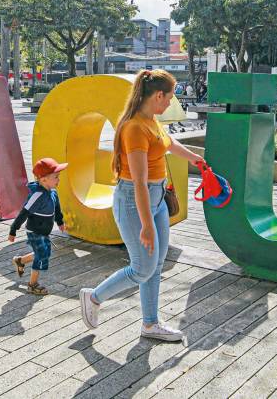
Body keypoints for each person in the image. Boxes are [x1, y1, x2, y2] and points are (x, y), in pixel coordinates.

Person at [79, 69, 205, 342]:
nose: (170, 103)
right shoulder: (135, 128)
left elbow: (169, 144)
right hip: (136, 201)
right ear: (158, 95)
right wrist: (146, 225)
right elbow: (138, 182)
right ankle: (94, 297)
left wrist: (195, 158)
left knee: (155, 265)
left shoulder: (151, 120)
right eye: (170, 98)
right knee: (142, 268)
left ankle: (150, 324)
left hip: (157, 198)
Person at [8, 157, 69, 296]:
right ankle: (32, 285)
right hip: (34, 230)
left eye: (58, 176)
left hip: (44, 231)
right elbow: (24, 212)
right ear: (43, 179)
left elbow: (57, 209)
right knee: (42, 255)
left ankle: (20, 261)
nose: (58, 179)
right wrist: (13, 229)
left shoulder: (53, 192)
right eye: (56, 177)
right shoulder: (37, 195)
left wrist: (60, 222)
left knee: (45, 253)